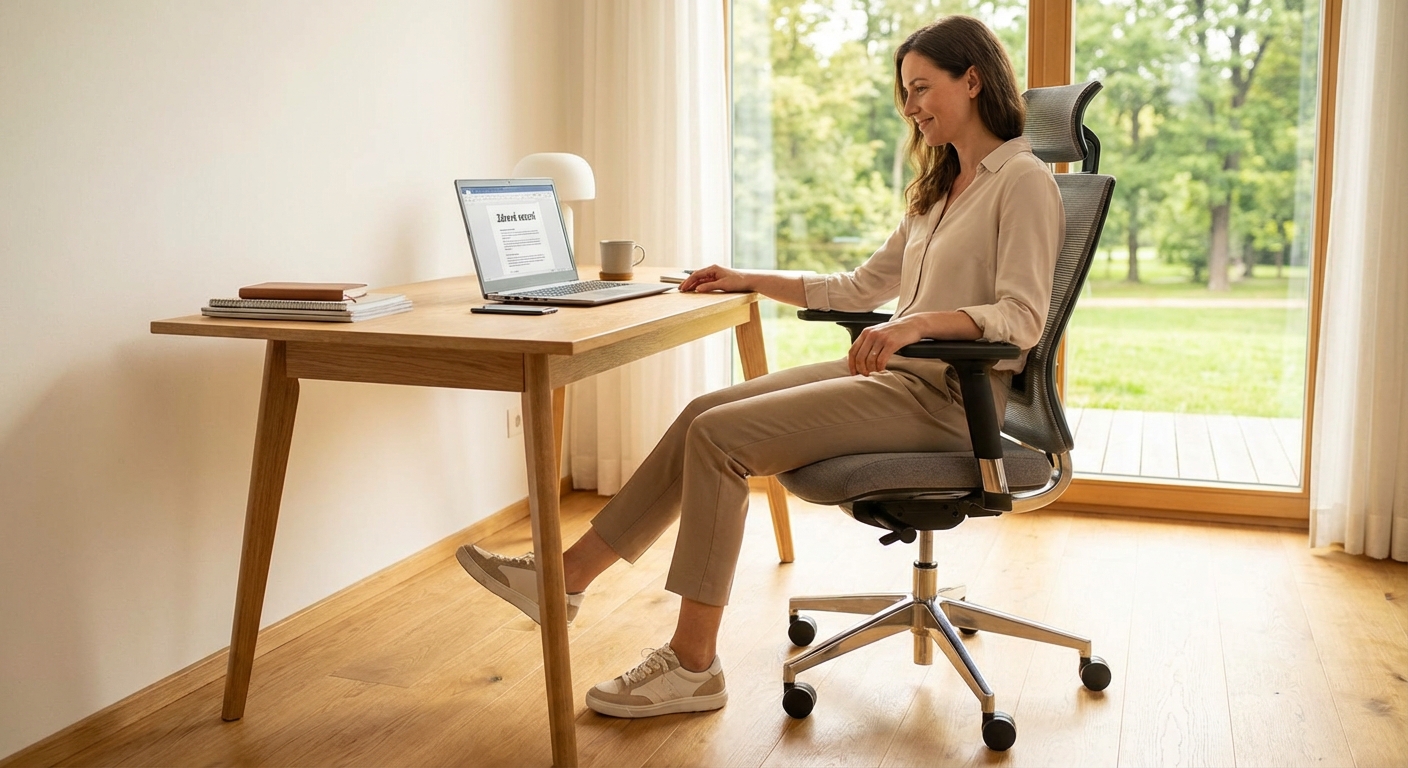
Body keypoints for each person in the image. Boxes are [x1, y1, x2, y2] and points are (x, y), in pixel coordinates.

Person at [456, 14, 1063, 719]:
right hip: (902, 380)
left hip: (951, 402)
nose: (911, 107)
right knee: (703, 412)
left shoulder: (1022, 182)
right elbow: (860, 287)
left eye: (922, 88)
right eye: (905, 93)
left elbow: (1021, 321)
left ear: (973, 79)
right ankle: (564, 579)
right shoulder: (941, 188)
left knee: (722, 442)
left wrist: (919, 323)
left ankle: (691, 665)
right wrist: (747, 277)